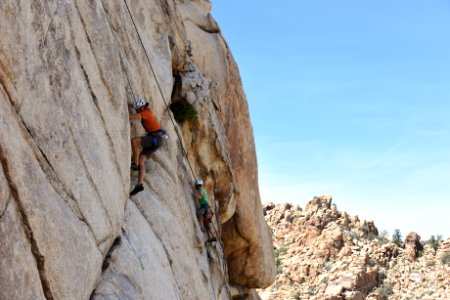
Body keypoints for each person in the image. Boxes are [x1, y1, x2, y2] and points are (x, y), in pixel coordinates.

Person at [129, 98, 168, 196]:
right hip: (157, 140)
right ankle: (139, 184)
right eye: (138, 109)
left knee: (134, 141)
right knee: (142, 160)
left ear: (143, 107)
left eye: (140, 108)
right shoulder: (147, 111)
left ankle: (135, 163)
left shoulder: (145, 112)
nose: (139, 110)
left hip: (155, 138)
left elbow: (133, 117)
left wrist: (125, 114)